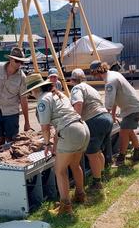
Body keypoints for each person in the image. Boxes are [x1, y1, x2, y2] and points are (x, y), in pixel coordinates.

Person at [22, 73, 90, 216]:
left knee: (59, 170)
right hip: (82, 128)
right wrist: (55, 146)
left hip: (70, 132)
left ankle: (66, 206)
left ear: (35, 90)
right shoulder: (59, 94)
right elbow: (61, 125)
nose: (31, 95)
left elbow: (45, 128)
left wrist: (47, 144)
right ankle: (80, 194)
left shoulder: (42, 100)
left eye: (30, 93)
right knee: (75, 165)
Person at [89, 60, 139, 166]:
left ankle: (121, 158)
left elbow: (109, 102)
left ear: (96, 72)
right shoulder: (113, 74)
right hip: (131, 106)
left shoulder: (110, 81)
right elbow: (114, 100)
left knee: (123, 132)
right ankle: (138, 152)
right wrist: (112, 116)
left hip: (132, 108)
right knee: (129, 131)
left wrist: (104, 114)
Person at [69, 68, 112, 191]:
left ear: (73, 80)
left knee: (91, 154)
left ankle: (97, 183)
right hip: (106, 118)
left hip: (94, 120)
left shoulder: (76, 88)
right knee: (98, 152)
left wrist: (75, 122)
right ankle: (101, 174)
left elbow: (78, 104)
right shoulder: (91, 88)